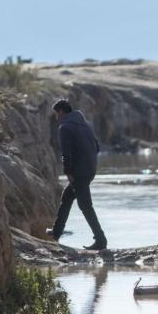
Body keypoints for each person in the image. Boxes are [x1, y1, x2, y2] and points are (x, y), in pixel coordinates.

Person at [46, 99, 108, 251]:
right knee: (66, 198)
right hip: (90, 169)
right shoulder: (84, 124)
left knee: (85, 206)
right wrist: (88, 161)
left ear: (61, 112)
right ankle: (56, 232)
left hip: (79, 172)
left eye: (56, 114)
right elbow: (97, 147)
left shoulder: (65, 127)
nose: (56, 117)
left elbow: (66, 153)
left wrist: (68, 172)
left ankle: (100, 240)